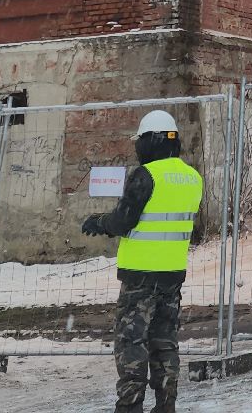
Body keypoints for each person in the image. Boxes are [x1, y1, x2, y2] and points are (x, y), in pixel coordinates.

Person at [82, 109, 203, 413]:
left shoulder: (146, 176)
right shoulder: (193, 178)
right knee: (165, 343)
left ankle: (130, 406)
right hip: (172, 274)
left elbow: (124, 220)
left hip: (140, 277)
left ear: (151, 141)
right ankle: (166, 405)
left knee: (132, 343)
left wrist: (99, 222)